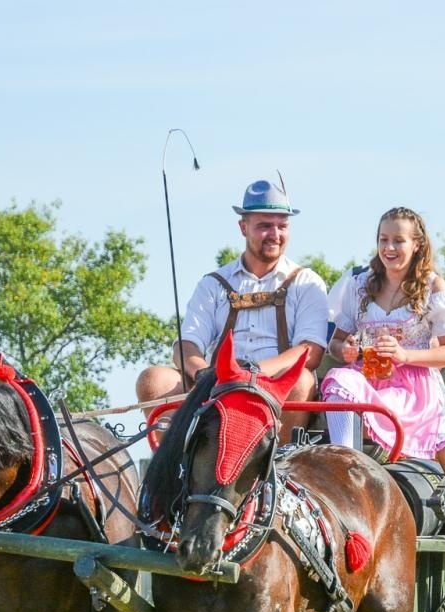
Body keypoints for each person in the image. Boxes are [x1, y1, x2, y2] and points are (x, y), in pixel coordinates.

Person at [136, 178, 328, 442]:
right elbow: (186, 345)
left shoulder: (306, 282)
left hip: (275, 387)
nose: (275, 234)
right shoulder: (213, 283)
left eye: (282, 226)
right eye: (264, 226)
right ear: (243, 227)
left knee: (302, 381)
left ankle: (279, 464)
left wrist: (253, 373)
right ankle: (178, 465)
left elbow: (310, 352)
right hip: (216, 386)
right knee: (153, 379)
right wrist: (205, 374)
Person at [320, 208, 445, 461]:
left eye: (398, 240)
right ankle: (344, 461)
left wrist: (404, 354)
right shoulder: (360, 286)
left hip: (413, 389)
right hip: (366, 379)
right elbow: (336, 343)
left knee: (376, 403)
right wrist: (345, 350)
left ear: (417, 245)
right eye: (383, 240)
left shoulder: (433, 287)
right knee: (338, 377)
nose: (389, 247)